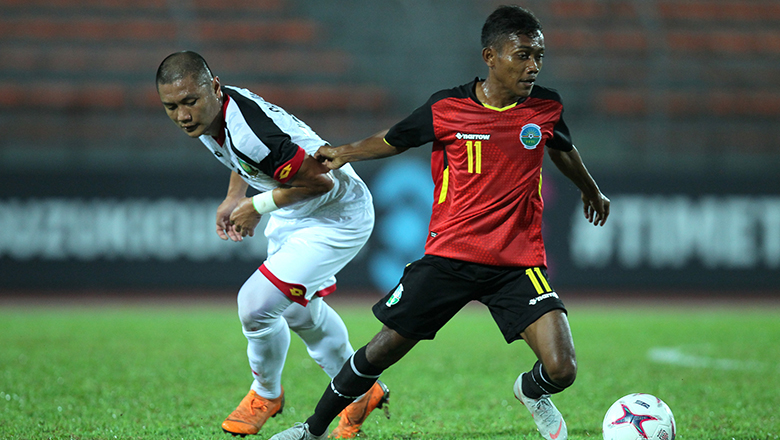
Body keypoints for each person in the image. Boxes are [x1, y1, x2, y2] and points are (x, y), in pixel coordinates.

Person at [269, 5, 610, 440]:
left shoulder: (545, 106)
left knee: (562, 369)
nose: (533, 66)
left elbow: (561, 146)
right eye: (522, 55)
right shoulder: (448, 107)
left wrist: (590, 188)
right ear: (490, 56)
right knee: (379, 351)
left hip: (517, 263)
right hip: (450, 257)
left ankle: (529, 391)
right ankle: (311, 431)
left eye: (539, 56)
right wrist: (344, 152)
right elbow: (394, 139)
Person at [155, 51, 389, 438]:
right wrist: (235, 196)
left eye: (189, 102)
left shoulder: (249, 132)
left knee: (255, 305)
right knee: (297, 312)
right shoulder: (213, 114)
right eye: (171, 106)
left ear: (214, 87)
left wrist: (255, 205)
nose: (182, 115)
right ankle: (360, 393)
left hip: (336, 215)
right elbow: (240, 157)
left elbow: (319, 181)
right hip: (297, 212)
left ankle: (266, 394)